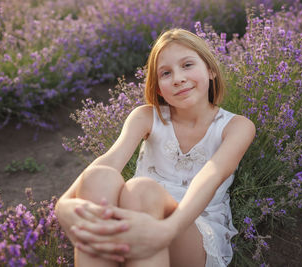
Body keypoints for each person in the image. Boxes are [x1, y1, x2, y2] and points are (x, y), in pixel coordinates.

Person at [55, 28, 256, 267]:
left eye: (188, 65)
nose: (178, 78)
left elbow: (211, 176)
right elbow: (109, 161)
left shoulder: (236, 127)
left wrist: (166, 230)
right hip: (136, 218)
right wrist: (63, 206)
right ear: (159, 87)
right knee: (100, 177)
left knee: (141, 190)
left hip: (190, 230)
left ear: (211, 70)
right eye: (166, 73)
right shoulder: (146, 117)